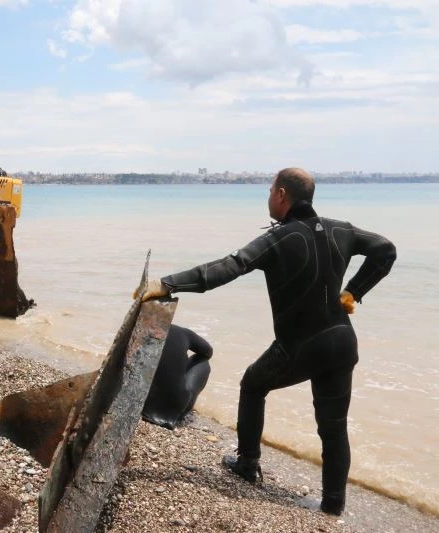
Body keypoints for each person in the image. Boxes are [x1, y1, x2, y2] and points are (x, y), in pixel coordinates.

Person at [141, 167, 396, 516]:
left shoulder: (278, 239)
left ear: (281, 195)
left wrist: (168, 284)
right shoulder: (342, 230)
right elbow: (386, 249)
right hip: (342, 342)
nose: (268, 197)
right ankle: (333, 505)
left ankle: (247, 464)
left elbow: (228, 267)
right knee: (333, 426)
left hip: (301, 344)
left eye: (269, 191)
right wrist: (354, 291)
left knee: (253, 384)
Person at [142, 324, 213, 429]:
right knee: (202, 361)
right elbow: (208, 352)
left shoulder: (137, 329)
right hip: (172, 414)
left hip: (138, 403)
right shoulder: (181, 332)